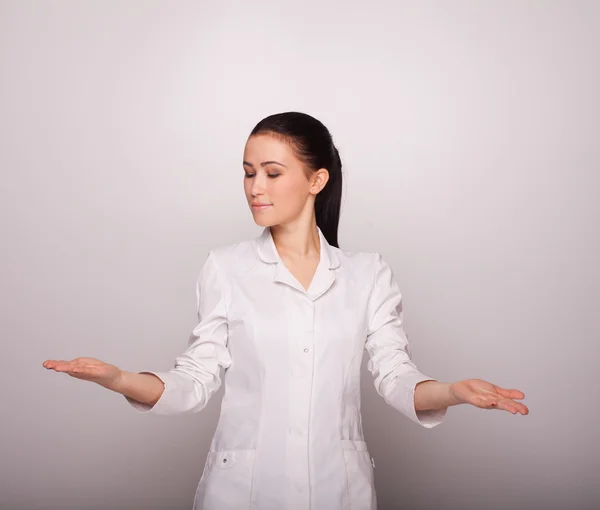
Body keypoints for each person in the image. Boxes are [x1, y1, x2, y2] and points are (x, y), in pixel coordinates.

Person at [43, 111, 529, 510]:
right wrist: (119, 379)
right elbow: (193, 380)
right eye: (249, 172)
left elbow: (395, 377)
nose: (256, 187)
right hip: (242, 492)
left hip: (340, 489)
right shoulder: (226, 267)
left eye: (273, 173)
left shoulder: (367, 274)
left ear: (317, 179)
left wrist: (452, 392)